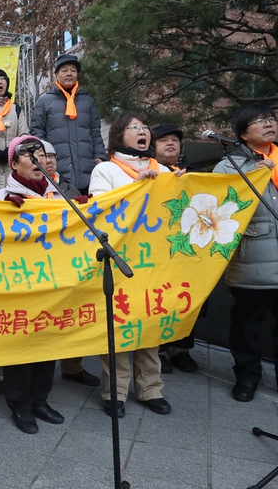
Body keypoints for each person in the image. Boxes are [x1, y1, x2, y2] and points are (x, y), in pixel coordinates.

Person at [212, 104, 278, 407]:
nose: (268, 124)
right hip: (252, 258)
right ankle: (247, 377)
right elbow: (219, 215)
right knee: (247, 327)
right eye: (259, 122)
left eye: (271, 119)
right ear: (243, 133)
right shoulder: (228, 167)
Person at [89, 113, 175, 418]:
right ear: (119, 136)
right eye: (133, 128)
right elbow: (98, 210)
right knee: (119, 325)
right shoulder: (106, 170)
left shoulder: (163, 169)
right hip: (122, 257)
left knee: (150, 323)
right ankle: (115, 391)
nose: (142, 132)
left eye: (144, 127)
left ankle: (151, 388)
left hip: (155, 259)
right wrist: (134, 189)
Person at [0, 135, 75, 433]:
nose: (37, 157)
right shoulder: (2, 198)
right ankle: (20, 405)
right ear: (13, 163)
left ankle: (41, 399)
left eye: (40, 152)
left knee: (48, 345)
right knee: (21, 348)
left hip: (54, 284)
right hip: (18, 287)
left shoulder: (60, 196)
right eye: (28, 154)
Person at [39, 142, 102, 387]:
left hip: (68, 260)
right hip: (38, 263)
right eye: (43, 156)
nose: (50, 160)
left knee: (72, 313)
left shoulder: (69, 187)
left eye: (53, 155)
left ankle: (72, 366)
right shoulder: (25, 189)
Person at [151, 124, 201, 374]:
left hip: (189, 247)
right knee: (160, 296)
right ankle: (157, 348)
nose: (170, 144)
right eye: (163, 141)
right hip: (157, 247)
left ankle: (181, 348)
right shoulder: (145, 173)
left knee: (189, 297)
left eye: (174, 140)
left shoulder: (194, 173)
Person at [30, 54, 106, 194]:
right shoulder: (44, 101)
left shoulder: (87, 101)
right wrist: (44, 158)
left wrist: (100, 157)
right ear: (56, 75)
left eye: (73, 70)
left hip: (87, 171)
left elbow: (95, 131)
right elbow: (37, 133)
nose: (69, 73)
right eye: (64, 70)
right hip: (57, 172)